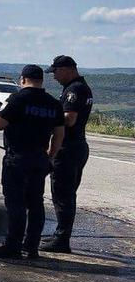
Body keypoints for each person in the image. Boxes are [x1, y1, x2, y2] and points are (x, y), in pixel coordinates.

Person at [0, 65, 65, 259]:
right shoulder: (53, 103)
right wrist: (50, 156)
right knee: (35, 203)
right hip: (39, 158)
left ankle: (13, 246)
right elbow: (59, 135)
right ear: (41, 80)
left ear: (22, 79)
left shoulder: (18, 99)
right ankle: (31, 246)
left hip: (17, 158)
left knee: (15, 203)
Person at [41, 55, 93, 253]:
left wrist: (47, 116)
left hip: (69, 148)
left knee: (63, 195)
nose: (54, 76)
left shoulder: (75, 89)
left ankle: (62, 240)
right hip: (76, 146)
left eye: (56, 72)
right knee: (66, 194)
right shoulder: (79, 87)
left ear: (68, 69)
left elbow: (69, 119)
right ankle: (61, 236)